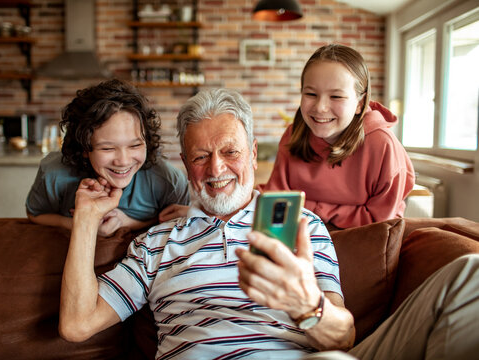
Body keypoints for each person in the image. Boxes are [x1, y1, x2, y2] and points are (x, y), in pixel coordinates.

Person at [58, 88, 479, 359]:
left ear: (252, 152)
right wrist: (87, 220)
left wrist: (306, 307)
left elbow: (342, 337)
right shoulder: (156, 243)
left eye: (230, 151)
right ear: (185, 165)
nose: (216, 168)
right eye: (201, 156)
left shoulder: (302, 226)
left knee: (469, 275)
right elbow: (77, 325)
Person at [262, 44, 415, 229]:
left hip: (364, 246)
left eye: (336, 97)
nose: (320, 107)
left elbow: (380, 222)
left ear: (359, 103)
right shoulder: (293, 135)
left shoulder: (383, 145)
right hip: (302, 241)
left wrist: (308, 207)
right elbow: (277, 207)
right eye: (311, 94)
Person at [25, 79, 189, 236]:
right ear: (83, 148)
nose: (123, 161)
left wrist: (129, 222)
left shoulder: (168, 181)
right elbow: (35, 214)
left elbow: (181, 224)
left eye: (135, 145)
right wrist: (82, 223)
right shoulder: (54, 174)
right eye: (108, 148)